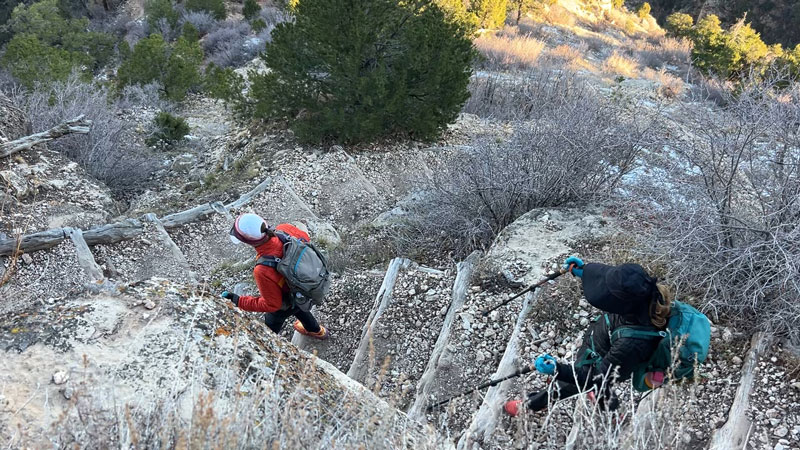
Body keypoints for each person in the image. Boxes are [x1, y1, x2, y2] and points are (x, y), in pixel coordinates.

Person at [504, 256, 672, 416]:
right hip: (603, 346)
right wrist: (585, 271)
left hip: (601, 360)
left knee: (572, 384)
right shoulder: (646, 293)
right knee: (603, 383)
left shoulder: (632, 344)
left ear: (623, 303)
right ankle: (610, 409)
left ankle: (531, 405)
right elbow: (609, 277)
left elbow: (597, 376)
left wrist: (558, 369)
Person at [220, 213, 328, 339]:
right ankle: (317, 331)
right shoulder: (285, 229)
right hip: (303, 290)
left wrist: (238, 301)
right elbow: (305, 240)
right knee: (300, 309)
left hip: (287, 302)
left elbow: (273, 304)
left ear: (249, 242)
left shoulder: (263, 269)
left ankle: (268, 346)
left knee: (272, 325)